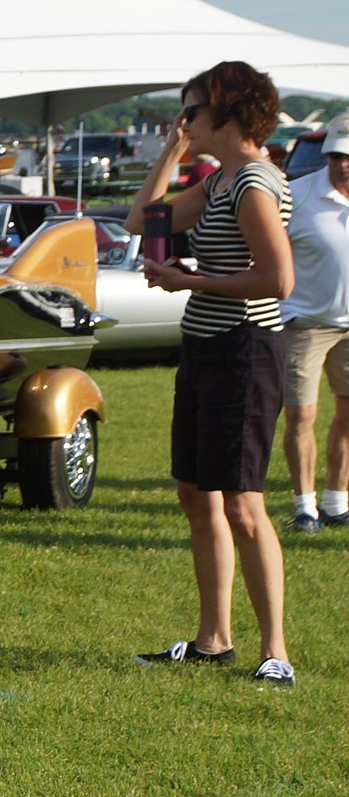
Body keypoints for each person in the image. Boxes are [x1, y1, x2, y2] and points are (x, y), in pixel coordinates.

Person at [127, 61, 297, 685]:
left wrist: (188, 280)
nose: (183, 121)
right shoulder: (221, 180)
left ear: (226, 111)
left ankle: (274, 649)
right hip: (206, 348)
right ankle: (213, 640)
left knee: (244, 504)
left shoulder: (253, 182)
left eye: (191, 111)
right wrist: (170, 155)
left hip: (246, 351)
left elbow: (278, 281)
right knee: (198, 495)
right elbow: (139, 222)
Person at [278, 110, 349, 532]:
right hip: (304, 324)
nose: (343, 163)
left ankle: (337, 502)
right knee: (300, 416)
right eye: (336, 155)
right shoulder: (297, 194)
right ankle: (305, 507)